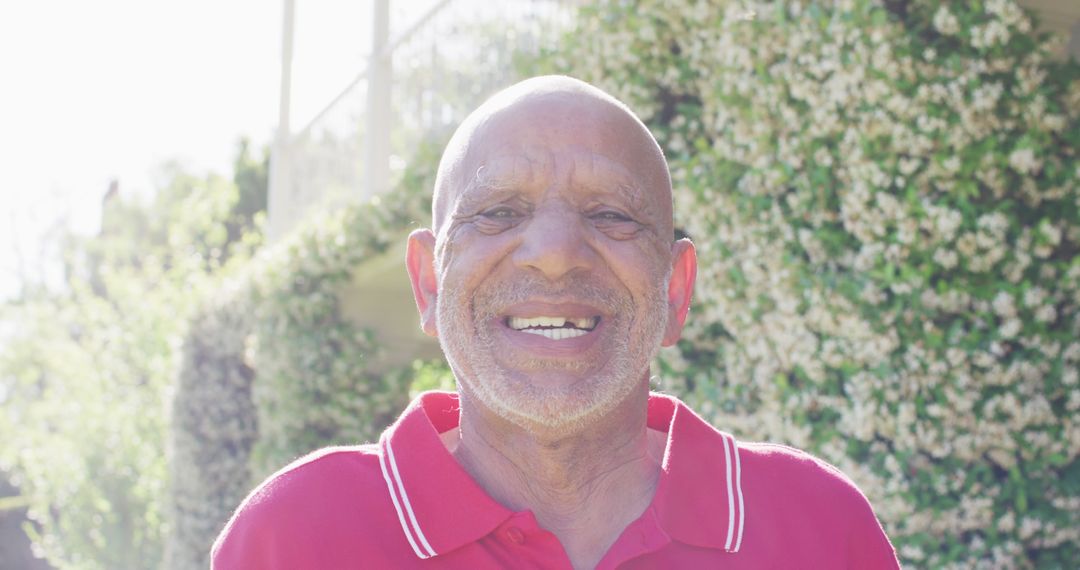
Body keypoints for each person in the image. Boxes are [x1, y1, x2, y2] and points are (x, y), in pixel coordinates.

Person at [212, 76, 900, 569]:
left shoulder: (820, 531)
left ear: (675, 291)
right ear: (427, 281)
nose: (554, 254)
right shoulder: (294, 538)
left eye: (610, 215)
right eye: (499, 212)